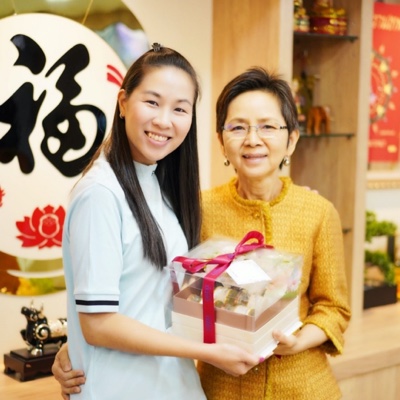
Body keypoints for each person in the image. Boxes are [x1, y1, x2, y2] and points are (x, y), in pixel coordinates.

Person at [53, 67, 351, 399]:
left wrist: (296, 342)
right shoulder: (195, 207)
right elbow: (154, 288)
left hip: (304, 387)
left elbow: (334, 308)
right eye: (238, 127)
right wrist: (76, 344)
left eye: (268, 127)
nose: (253, 139)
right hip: (221, 389)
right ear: (221, 141)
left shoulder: (318, 212)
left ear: (291, 139)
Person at [55, 44, 260, 400]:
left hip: (173, 385)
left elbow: (142, 301)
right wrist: (208, 352)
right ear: (123, 103)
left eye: (180, 109)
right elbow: (98, 325)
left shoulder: (159, 184)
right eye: (152, 102)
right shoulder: (100, 194)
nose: (165, 121)